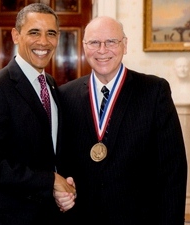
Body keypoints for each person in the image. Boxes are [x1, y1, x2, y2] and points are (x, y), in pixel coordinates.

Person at [57, 16, 188, 224]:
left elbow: (172, 171)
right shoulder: (64, 96)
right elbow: (59, 161)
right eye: (94, 42)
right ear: (84, 47)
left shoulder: (154, 92)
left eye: (111, 42)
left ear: (124, 45)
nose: (102, 50)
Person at [0, 3, 76, 225]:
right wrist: (49, 180)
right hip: (5, 217)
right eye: (34, 32)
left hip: (47, 215)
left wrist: (64, 188)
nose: (44, 42)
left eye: (51, 33)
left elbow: (49, 152)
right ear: (16, 35)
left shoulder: (51, 85)